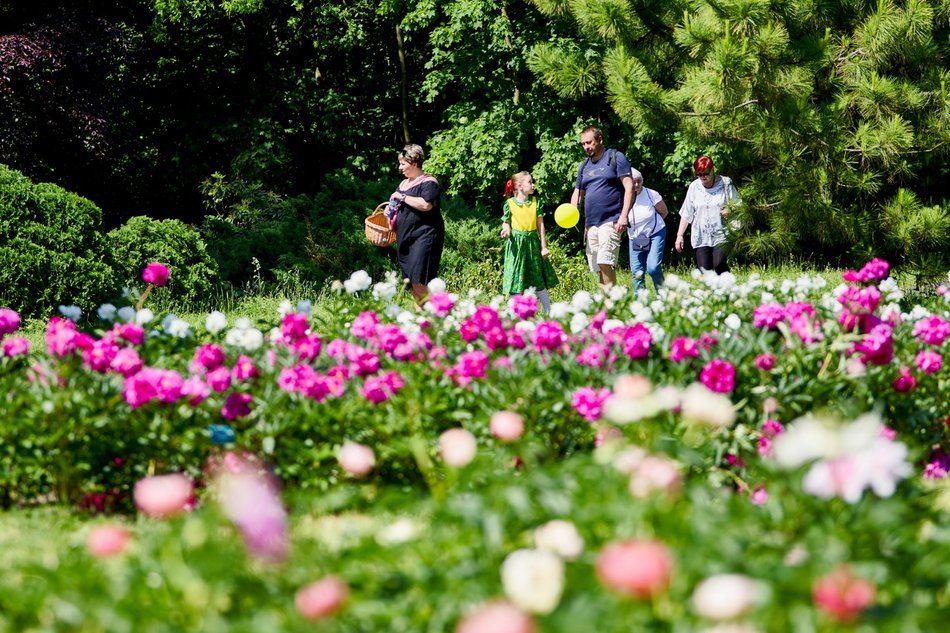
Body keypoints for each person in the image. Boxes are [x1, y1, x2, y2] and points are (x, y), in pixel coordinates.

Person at [571, 126, 633, 287]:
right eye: (583, 144)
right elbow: (578, 192)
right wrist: (571, 213)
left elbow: (629, 187)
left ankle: (613, 302)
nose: (586, 147)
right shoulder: (584, 166)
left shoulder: (615, 157)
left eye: (589, 142)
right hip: (591, 224)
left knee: (605, 262)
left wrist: (624, 216)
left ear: (600, 140)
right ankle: (609, 301)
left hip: (611, 220)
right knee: (598, 266)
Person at [388, 144, 443, 304]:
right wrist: (390, 212)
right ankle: (422, 321)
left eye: (403, 164)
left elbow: (426, 205)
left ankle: (440, 314)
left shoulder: (429, 182)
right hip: (406, 238)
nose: (400, 168)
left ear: (414, 163)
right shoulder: (404, 184)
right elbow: (399, 206)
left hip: (424, 236)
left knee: (419, 279)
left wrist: (402, 198)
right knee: (412, 281)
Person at [500, 171, 558, 313]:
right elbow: (505, 222)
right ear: (519, 186)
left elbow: (540, 225)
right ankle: (513, 314)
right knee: (516, 277)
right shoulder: (510, 204)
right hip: (516, 245)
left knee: (537, 276)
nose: (533, 185)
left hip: (532, 243)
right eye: (530, 182)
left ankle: (548, 311)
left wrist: (544, 247)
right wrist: (506, 229)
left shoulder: (536, 202)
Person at [674, 155, 741, 275]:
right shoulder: (694, 187)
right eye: (699, 174)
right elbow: (686, 213)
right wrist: (680, 235)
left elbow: (739, 205)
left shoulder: (726, 183)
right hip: (701, 235)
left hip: (722, 232)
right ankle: (710, 293)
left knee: (719, 263)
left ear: (712, 169)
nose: (702, 177)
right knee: (705, 270)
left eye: (705, 173)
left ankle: (728, 288)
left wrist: (730, 209)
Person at [627, 168, 669, 292]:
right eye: (633, 182)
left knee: (653, 267)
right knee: (637, 272)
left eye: (638, 181)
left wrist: (650, 227)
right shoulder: (622, 197)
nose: (636, 185)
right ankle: (641, 303)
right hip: (635, 237)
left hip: (656, 233)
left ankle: (663, 295)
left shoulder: (651, 194)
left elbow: (664, 212)